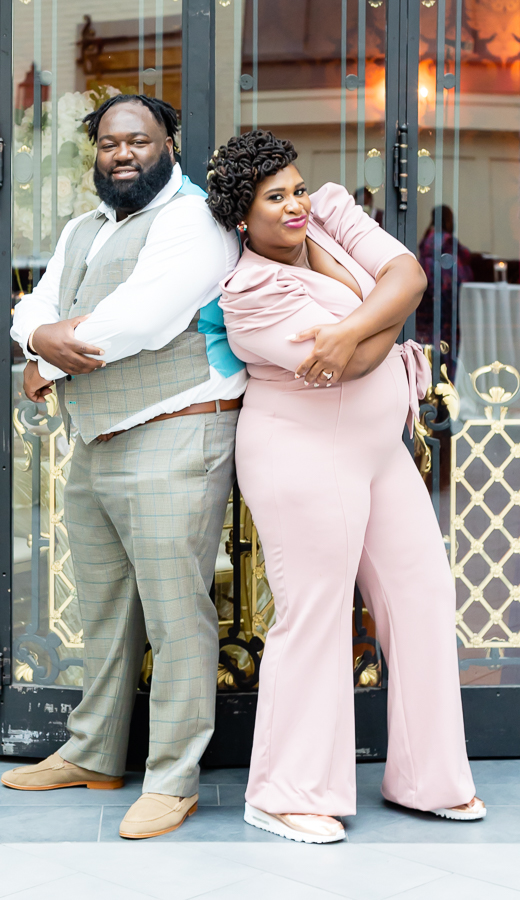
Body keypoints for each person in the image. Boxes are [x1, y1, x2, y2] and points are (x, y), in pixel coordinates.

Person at [207, 131, 485, 844]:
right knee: (317, 613)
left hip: (378, 450)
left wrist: (358, 325)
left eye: (296, 188)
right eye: (275, 198)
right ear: (243, 217)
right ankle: (284, 791)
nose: (297, 204)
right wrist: (377, 323)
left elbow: (411, 279)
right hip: (301, 454)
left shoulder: (331, 208)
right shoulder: (247, 294)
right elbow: (354, 363)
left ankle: (428, 778)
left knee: (422, 596)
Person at [3, 95, 247, 839]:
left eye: (138, 140)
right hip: (99, 437)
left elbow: (141, 321)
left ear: (170, 140)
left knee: (177, 619)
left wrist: (43, 350)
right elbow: (28, 306)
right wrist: (37, 335)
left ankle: (172, 779)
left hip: (177, 432)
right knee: (104, 611)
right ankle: (94, 753)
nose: (122, 154)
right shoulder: (84, 227)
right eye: (109, 143)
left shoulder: (194, 220)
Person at [416, 204, 473, 349]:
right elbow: (464, 261)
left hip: (428, 304)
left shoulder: (427, 241)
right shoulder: (449, 244)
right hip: (447, 303)